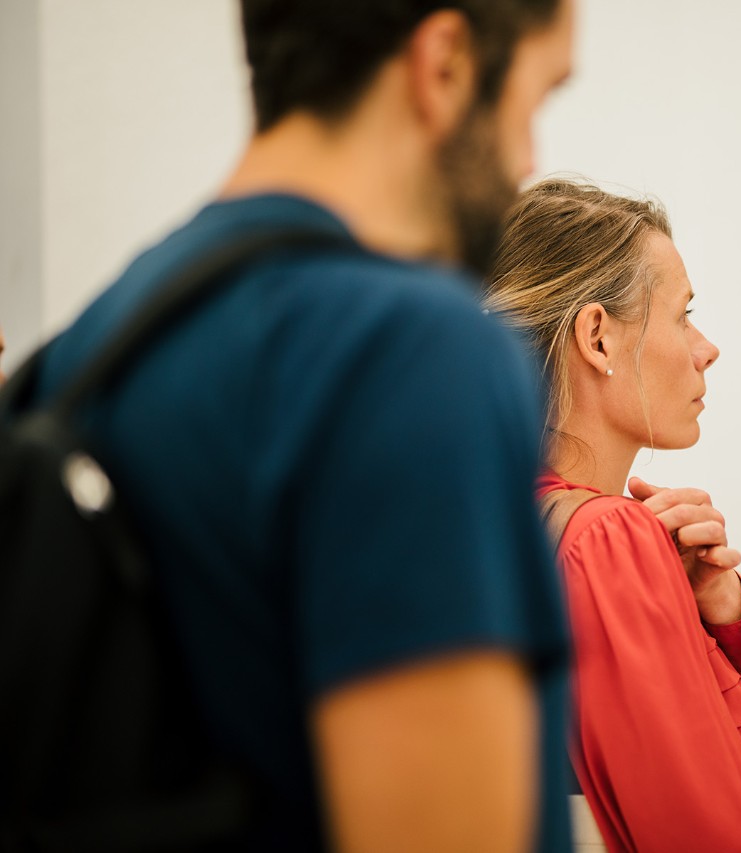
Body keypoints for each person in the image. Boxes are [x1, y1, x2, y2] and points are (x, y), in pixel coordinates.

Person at [31, 2, 575, 850]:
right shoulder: (408, 348)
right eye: (536, 100)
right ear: (446, 65)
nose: (528, 161)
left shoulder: (95, 341)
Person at [486, 179, 741, 850]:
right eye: (683, 314)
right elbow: (712, 832)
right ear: (597, 337)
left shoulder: (496, 519)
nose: (706, 347)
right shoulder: (605, 542)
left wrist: (721, 600)